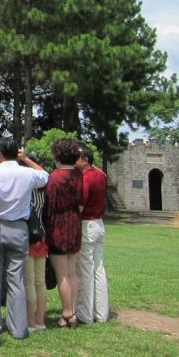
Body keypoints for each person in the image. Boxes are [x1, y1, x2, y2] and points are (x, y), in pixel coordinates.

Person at [0, 137, 49, 340]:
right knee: (17, 280)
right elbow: (45, 176)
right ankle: (19, 327)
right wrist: (27, 159)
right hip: (20, 229)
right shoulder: (27, 174)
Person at [45, 138, 83, 329]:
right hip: (75, 224)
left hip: (58, 226)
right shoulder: (78, 174)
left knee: (62, 275)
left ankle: (67, 313)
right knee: (72, 272)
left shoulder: (55, 177)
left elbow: (49, 205)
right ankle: (73, 310)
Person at [75, 145, 108, 325]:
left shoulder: (86, 178)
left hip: (86, 223)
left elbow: (81, 205)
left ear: (85, 160)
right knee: (98, 268)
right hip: (99, 223)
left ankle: (85, 313)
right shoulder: (100, 175)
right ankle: (101, 313)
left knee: (85, 270)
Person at [24, 183, 49, 332]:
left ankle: (31, 322)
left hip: (28, 238)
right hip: (42, 236)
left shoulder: (27, 193)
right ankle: (41, 320)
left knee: (29, 281)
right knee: (40, 281)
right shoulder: (43, 193)